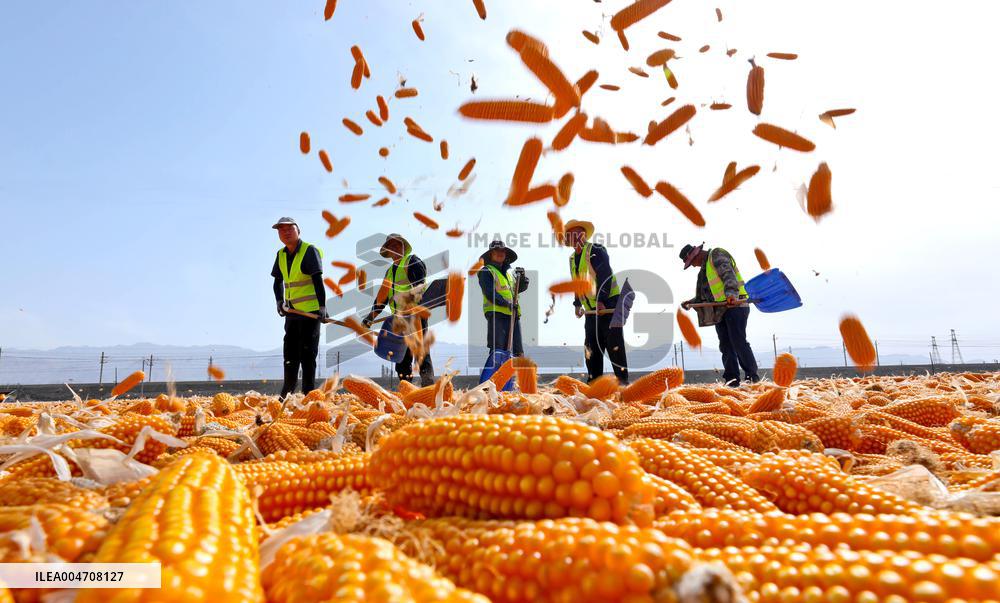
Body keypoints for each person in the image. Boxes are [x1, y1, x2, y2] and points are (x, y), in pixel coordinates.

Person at [679, 243, 760, 385]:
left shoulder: (716, 255)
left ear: (697, 254)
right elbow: (707, 295)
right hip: (721, 309)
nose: (693, 266)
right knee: (725, 345)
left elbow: (729, 275)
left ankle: (752, 377)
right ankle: (732, 380)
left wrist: (731, 295)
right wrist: (691, 302)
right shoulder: (704, 271)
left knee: (738, 341)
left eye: (692, 262)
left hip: (736, 305)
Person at [362, 234, 434, 385]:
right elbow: (381, 300)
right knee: (402, 358)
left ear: (403, 247)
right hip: (399, 319)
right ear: (388, 251)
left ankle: (429, 386)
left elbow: (419, 289)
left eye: (397, 245)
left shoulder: (412, 262)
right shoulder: (390, 272)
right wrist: (370, 317)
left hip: (415, 316)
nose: (394, 248)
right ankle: (406, 388)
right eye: (391, 246)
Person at [565, 220, 629, 384]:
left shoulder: (596, 250)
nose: (576, 236)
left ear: (584, 235)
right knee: (591, 347)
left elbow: (605, 274)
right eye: (571, 234)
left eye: (579, 233)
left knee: (613, 344)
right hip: (591, 310)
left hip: (608, 304)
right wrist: (577, 304)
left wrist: (601, 299)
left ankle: (622, 382)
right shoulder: (572, 259)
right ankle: (594, 383)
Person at [271, 217, 327, 398]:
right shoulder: (281, 254)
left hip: (311, 313)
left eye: (289, 229)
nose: (286, 232)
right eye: (281, 230)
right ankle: (287, 393)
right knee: (290, 355)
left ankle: (309, 394)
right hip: (292, 314)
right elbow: (277, 282)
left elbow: (318, 281)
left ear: (298, 231)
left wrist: (322, 307)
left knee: (308, 356)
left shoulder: (309, 251)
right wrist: (279, 301)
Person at [478, 240, 530, 365]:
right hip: (497, 315)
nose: (500, 253)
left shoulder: (509, 274)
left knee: (518, 351)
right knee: (498, 350)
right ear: (491, 254)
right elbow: (490, 293)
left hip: (513, 315)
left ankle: (518, 381)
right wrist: (506, 303)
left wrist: (522, 279)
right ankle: (495, 380)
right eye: (496, 251)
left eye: (502, 251)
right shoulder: (486, 271)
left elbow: (518, 290)